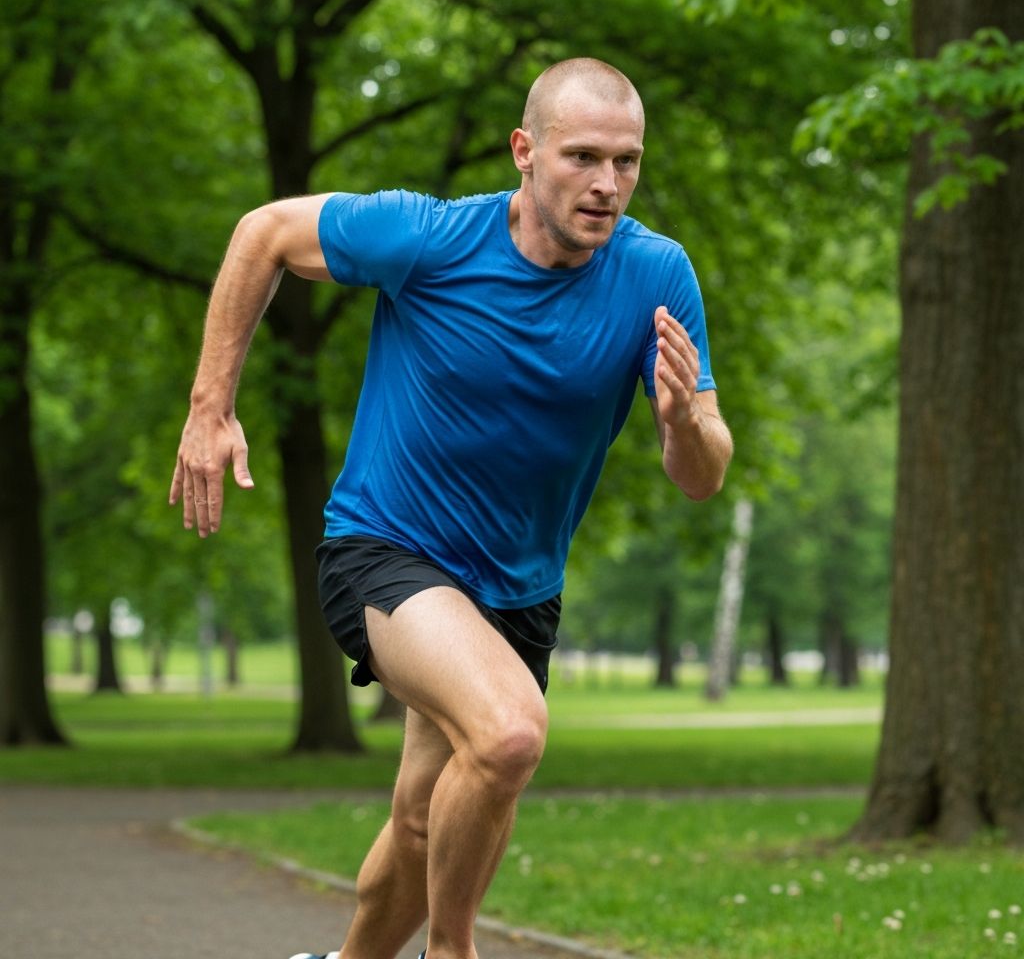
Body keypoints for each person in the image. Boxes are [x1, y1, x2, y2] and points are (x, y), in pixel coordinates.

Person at [170, 57, 732, 959]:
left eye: (626, 162)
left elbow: (701, 472)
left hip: (518, 589)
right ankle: (455, 951)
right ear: (524, 150)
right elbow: (264, 231)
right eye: (582, 156)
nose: (606, 184)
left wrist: (682, 422)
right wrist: (211, 407)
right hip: (384, 550)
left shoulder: (657, 274)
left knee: (425, 820)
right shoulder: (431, 239)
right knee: (509, 736)